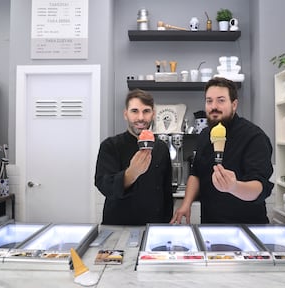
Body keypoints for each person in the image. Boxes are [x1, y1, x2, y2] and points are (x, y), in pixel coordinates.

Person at [171, 77, 274, 224]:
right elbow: (196, 174)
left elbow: (260, 187)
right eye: (209, 101)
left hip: (247, 225)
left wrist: (234, 187)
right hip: (210, 224)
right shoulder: (205, 135)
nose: (214, 106)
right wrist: (185, 204)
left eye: (221, 100)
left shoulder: (254, 137)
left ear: (234, 104)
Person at [95, 89, 173, 225]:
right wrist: (131, 174)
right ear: (126, 114)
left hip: (154, 225)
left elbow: (166, 192)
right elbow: (104, 185)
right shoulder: (110, 146)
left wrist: (165, 224)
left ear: (153, 114)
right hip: (118, 224)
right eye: (135, 111)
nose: (141, 118)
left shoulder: (161, 148)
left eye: (146, 111)